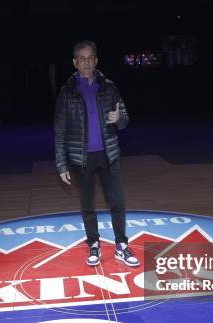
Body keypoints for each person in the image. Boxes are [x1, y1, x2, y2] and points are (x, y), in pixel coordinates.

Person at [54, 40, 139, 267]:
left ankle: (121, 245)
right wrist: (62, 164)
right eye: (82, 58)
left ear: (97, 60)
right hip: (80, 160)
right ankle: (94, 244)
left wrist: (119, 119)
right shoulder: (66, 92)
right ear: (75, 63)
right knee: (87, 205)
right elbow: (59, 131)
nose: (87, 62)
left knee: (117, 202)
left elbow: (125, 119)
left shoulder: (109, 87)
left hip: (108, 155)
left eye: (90, 58)